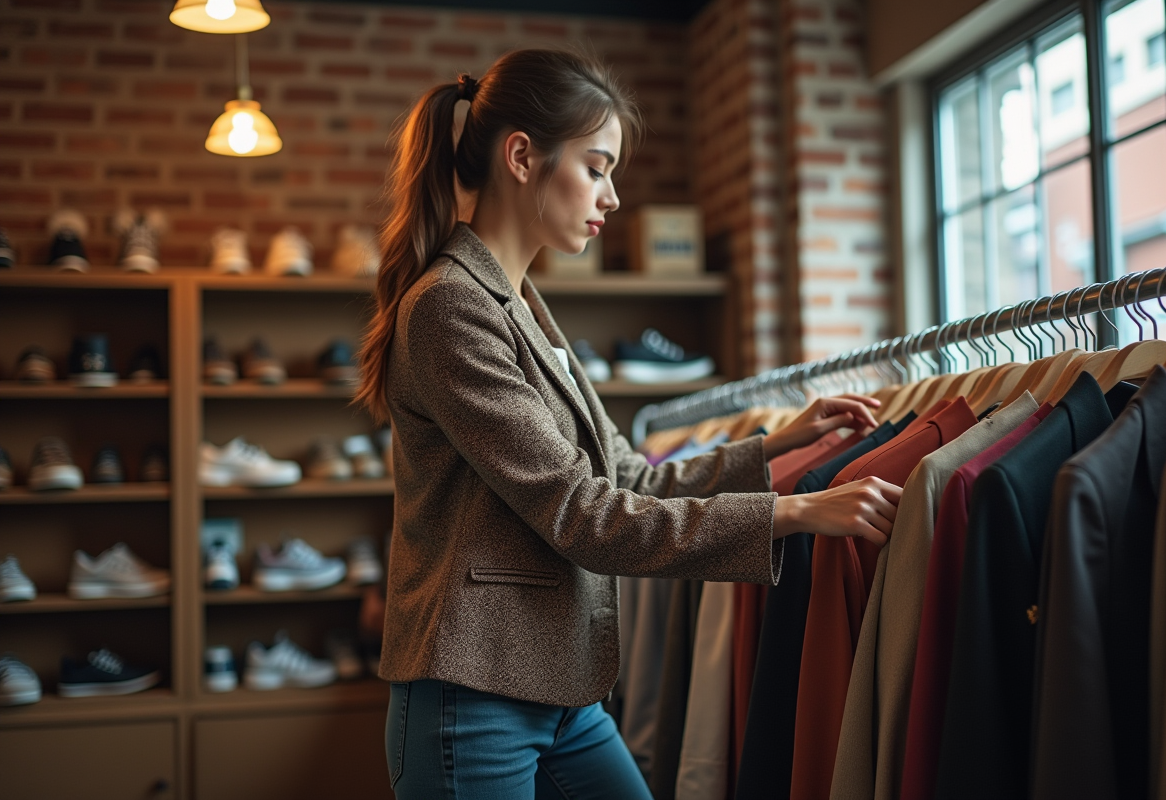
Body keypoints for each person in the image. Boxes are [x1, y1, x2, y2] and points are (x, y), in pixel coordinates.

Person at [354, 47, 902, 800]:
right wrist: (795, 511)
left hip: (561, 692)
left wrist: (781, 444)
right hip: (472, 697)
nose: (611, 196)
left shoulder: (525, 308)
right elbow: (587, 516)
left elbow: (628, 475)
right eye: (598, 166)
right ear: (522, 156)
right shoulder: (451, 308)